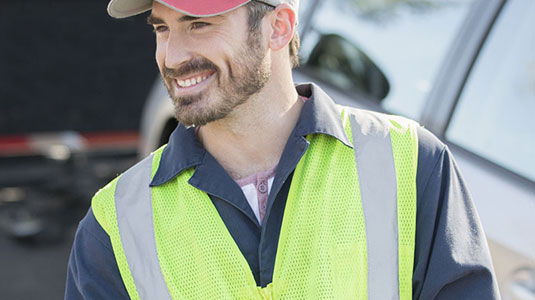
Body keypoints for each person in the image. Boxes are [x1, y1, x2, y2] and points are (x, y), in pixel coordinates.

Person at [65, 0, 500, 299]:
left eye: (199, 23)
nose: (173, 56)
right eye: (162, 28)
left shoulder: (411, 163)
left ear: (278, 28)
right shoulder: (116, 225)